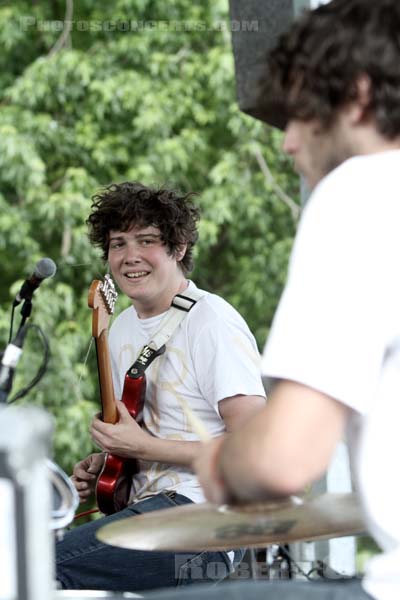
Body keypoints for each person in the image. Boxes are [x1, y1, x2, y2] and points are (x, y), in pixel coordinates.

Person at [141, 1, 400, 600]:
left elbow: (285, 458)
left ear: (358, 97)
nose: (286, 142)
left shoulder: (362, 192)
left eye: (301, 113)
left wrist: (219, 463)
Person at [55, 181, 266, 592]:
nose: (130, 256)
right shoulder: (121, 330)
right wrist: (106, 464)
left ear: (180, 247)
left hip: (207, 524)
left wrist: (141, 447)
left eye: (147, 241)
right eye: (118, 244)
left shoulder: (212, 322)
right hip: (149, 510)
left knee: (44, 565)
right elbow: (146, 435)